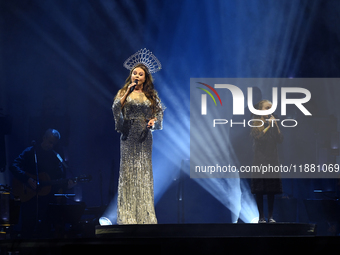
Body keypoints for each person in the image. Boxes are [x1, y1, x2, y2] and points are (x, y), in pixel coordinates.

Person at [112, 49, 164, 224]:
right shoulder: (123, 92)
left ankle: (145, 216)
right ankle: (127, 216)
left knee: (143, 172)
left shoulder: (151, 95)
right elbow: (115, 109)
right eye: (134, 73)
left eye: (140, 74)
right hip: (128, 134)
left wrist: (153, 122)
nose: (137, 76)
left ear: (145, 77)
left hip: (144, 136)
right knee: (128, 173)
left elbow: (159, 114)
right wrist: (127, 92)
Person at [10, 128, 76, 237]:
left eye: (53, 144)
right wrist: (27, 179)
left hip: (45, 203)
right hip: (29, 200)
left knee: (45, 232)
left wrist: (67, 186)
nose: (50, 145)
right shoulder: (31, 151)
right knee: (27, 230)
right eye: (49, 142)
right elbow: (13, 166)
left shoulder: (55, 157)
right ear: (44, 138)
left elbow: (58, 180)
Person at [250, 100, 283, 223]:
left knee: (271, 190)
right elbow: (259, 138)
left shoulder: (273, 124)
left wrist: (276, 125)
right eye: (267, 107)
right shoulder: (256, 124)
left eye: (271, 107)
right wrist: (268, 126)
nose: (270, 110)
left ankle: (270, 216)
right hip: (260, 161)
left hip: (272, 160)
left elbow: (280, 139)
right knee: (260, 190)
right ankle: (261, 217)